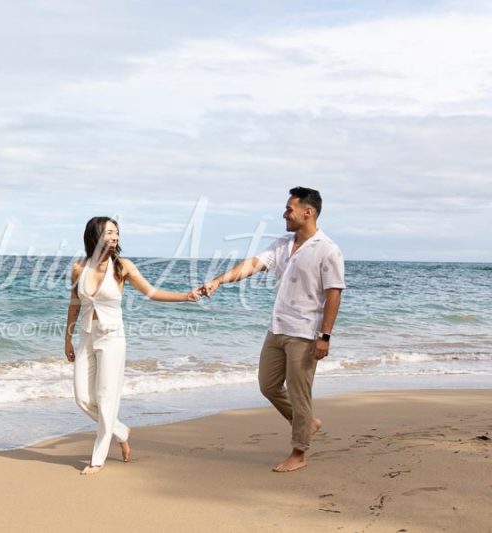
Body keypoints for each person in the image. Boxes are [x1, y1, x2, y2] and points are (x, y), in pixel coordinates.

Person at [201, 187, 345, 472]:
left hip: (305, 333)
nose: (284, 214)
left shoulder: (328, 249)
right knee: (267, 385)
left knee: (299, 393)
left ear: (308, 212)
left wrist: (324, 336)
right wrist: (219, 280)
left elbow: (334, 294)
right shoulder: (282, 244)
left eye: (289, 209)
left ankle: (298, 453)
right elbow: (253, 264)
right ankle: (307, 423)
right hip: (277, 327)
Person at [65, 216, 201, 475]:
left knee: (106, 397)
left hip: (112, 338)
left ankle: (97, 459)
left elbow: (152, 292)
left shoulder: (122, 267)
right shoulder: (79, 268)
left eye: (116, 232)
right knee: (82, 398)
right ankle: (120, 430)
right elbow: (74, 305)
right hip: (86, 336)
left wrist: (186, 296)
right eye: (109, 232)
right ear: (95, 235)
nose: (115, 237)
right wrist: (67, 339)